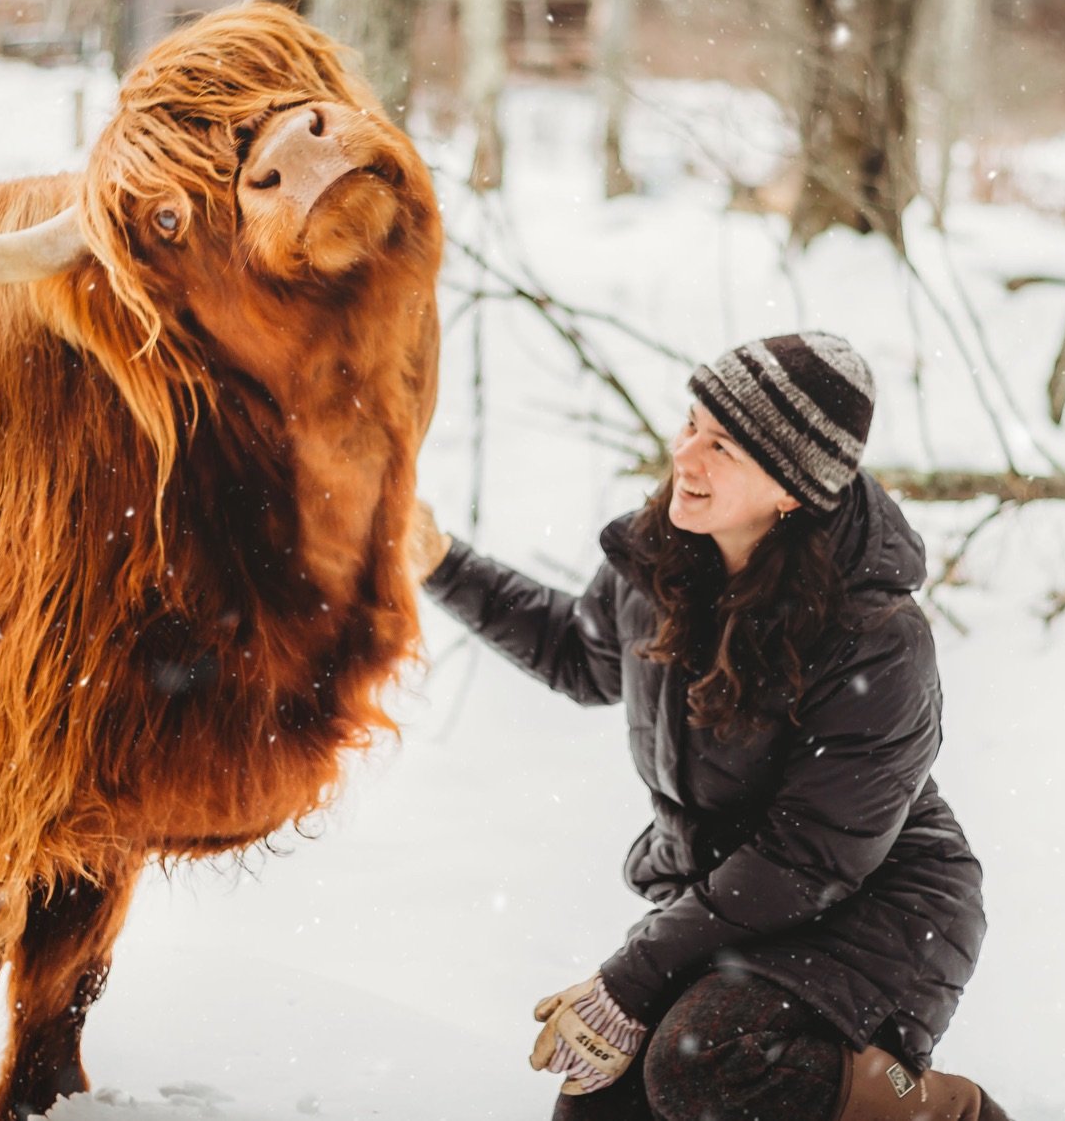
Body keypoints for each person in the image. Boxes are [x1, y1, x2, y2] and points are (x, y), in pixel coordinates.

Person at [409, 333, 1011, 1121]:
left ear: (793, 487)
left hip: (877, 911)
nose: (684, 457)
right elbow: (582, 655)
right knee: (598, 1105)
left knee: (711, 1064)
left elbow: (811, 856)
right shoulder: (664, 560)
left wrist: (629, 976)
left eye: (721, 446)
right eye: (690, 424)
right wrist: (441, 562)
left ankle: (936, 1110)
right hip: (731, 897)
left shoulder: (876, 637)